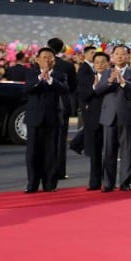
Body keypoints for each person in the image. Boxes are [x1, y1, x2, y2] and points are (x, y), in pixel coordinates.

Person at [24, 47, 69, 193]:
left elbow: (64, 89)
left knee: (51, 153)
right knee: (32, 153)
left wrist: (49, 79)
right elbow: (27, 89)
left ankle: (50, 184)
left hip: (52, 118)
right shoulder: (31, 74)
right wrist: (40, 78)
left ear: (54, 61)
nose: (47, 60)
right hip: (34, 118)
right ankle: (32, 183)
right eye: (44, 57)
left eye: (50, 57)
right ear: (37, 59)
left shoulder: (60, 75)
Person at [97, 45, 131, 192]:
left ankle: (125, 183)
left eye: (123, 54)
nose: (120, 56)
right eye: (117, 54)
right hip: (108, 117)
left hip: (126, 116)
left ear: (128, 56)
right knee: (108, 152)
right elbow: (98, 90)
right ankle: (108, 183)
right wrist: (109, 81)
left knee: (127, 152)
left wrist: (123, 82)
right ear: (112, 56)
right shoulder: (107, 72)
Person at [77, 51, 109, 191]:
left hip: (110, 119)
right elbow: (83, 96)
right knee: (95, 154)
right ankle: (94, 182)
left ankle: (109, 182)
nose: (100, 65)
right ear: (93, 65)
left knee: (109, 153)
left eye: (103, 62)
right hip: (94, 120)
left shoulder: (112, 77)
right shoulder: (88, 79)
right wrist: (94, 88)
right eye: (97, 62)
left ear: (108, 63)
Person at [47, 38, 77, 180]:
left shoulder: (41, 64)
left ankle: (46, 170)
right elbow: (72, 87)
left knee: (46, 139)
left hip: (45, 105)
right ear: (61, 49)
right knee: (60, 140)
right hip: (63, 104)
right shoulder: (68, 66)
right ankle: (59, 171)